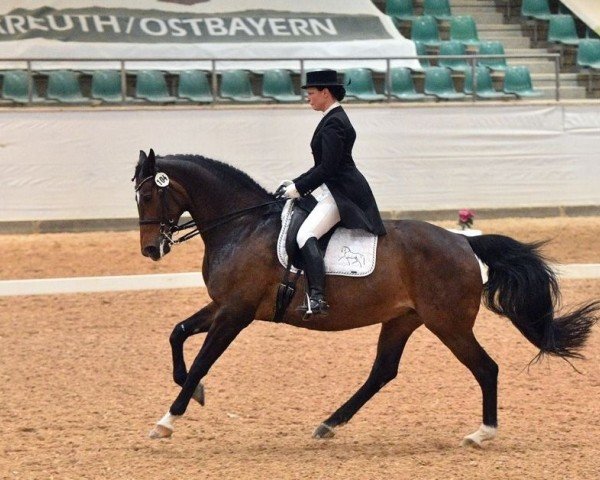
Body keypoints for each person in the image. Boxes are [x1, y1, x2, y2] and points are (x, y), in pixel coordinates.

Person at [275, 69, 386, 316]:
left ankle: (317, 297)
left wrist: (299, 188)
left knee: (305, 235)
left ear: (325, 93)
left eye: (312, 93)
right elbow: (321, 166)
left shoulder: (334, 121)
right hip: (331, 187)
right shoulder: (331, 117)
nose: (308, 98)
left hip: (342, 193)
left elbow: (328, 168)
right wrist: (294, 184)